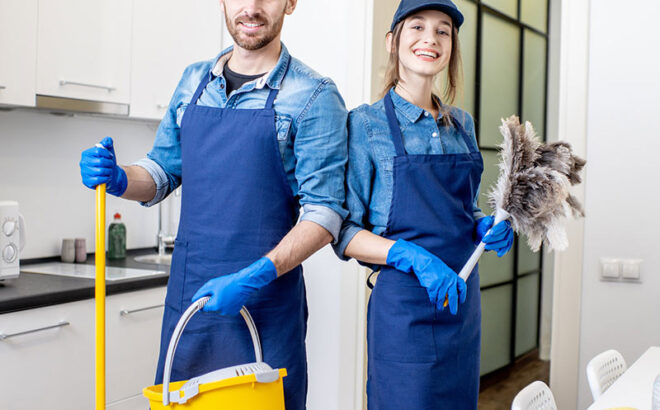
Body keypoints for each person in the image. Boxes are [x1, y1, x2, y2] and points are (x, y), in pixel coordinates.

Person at [79, 0, 348, 408]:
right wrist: (119, 178)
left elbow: (325, 213)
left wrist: (256, 276)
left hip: (267, 305)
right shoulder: (193, 81)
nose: (252, 7)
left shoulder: (314, 95)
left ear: (291, 3)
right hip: (191, 306)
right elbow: (162, 170)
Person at [334, 0, 514, 408]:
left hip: (462, 308)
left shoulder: (462, 125)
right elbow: (343, 233)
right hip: (404, 316)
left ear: (452, 46)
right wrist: (411, 256)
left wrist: (483, 225)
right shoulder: (365, 125)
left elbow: (463, 210)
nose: (430, 39)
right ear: (392, 41)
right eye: (417, 27)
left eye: (443, 31)